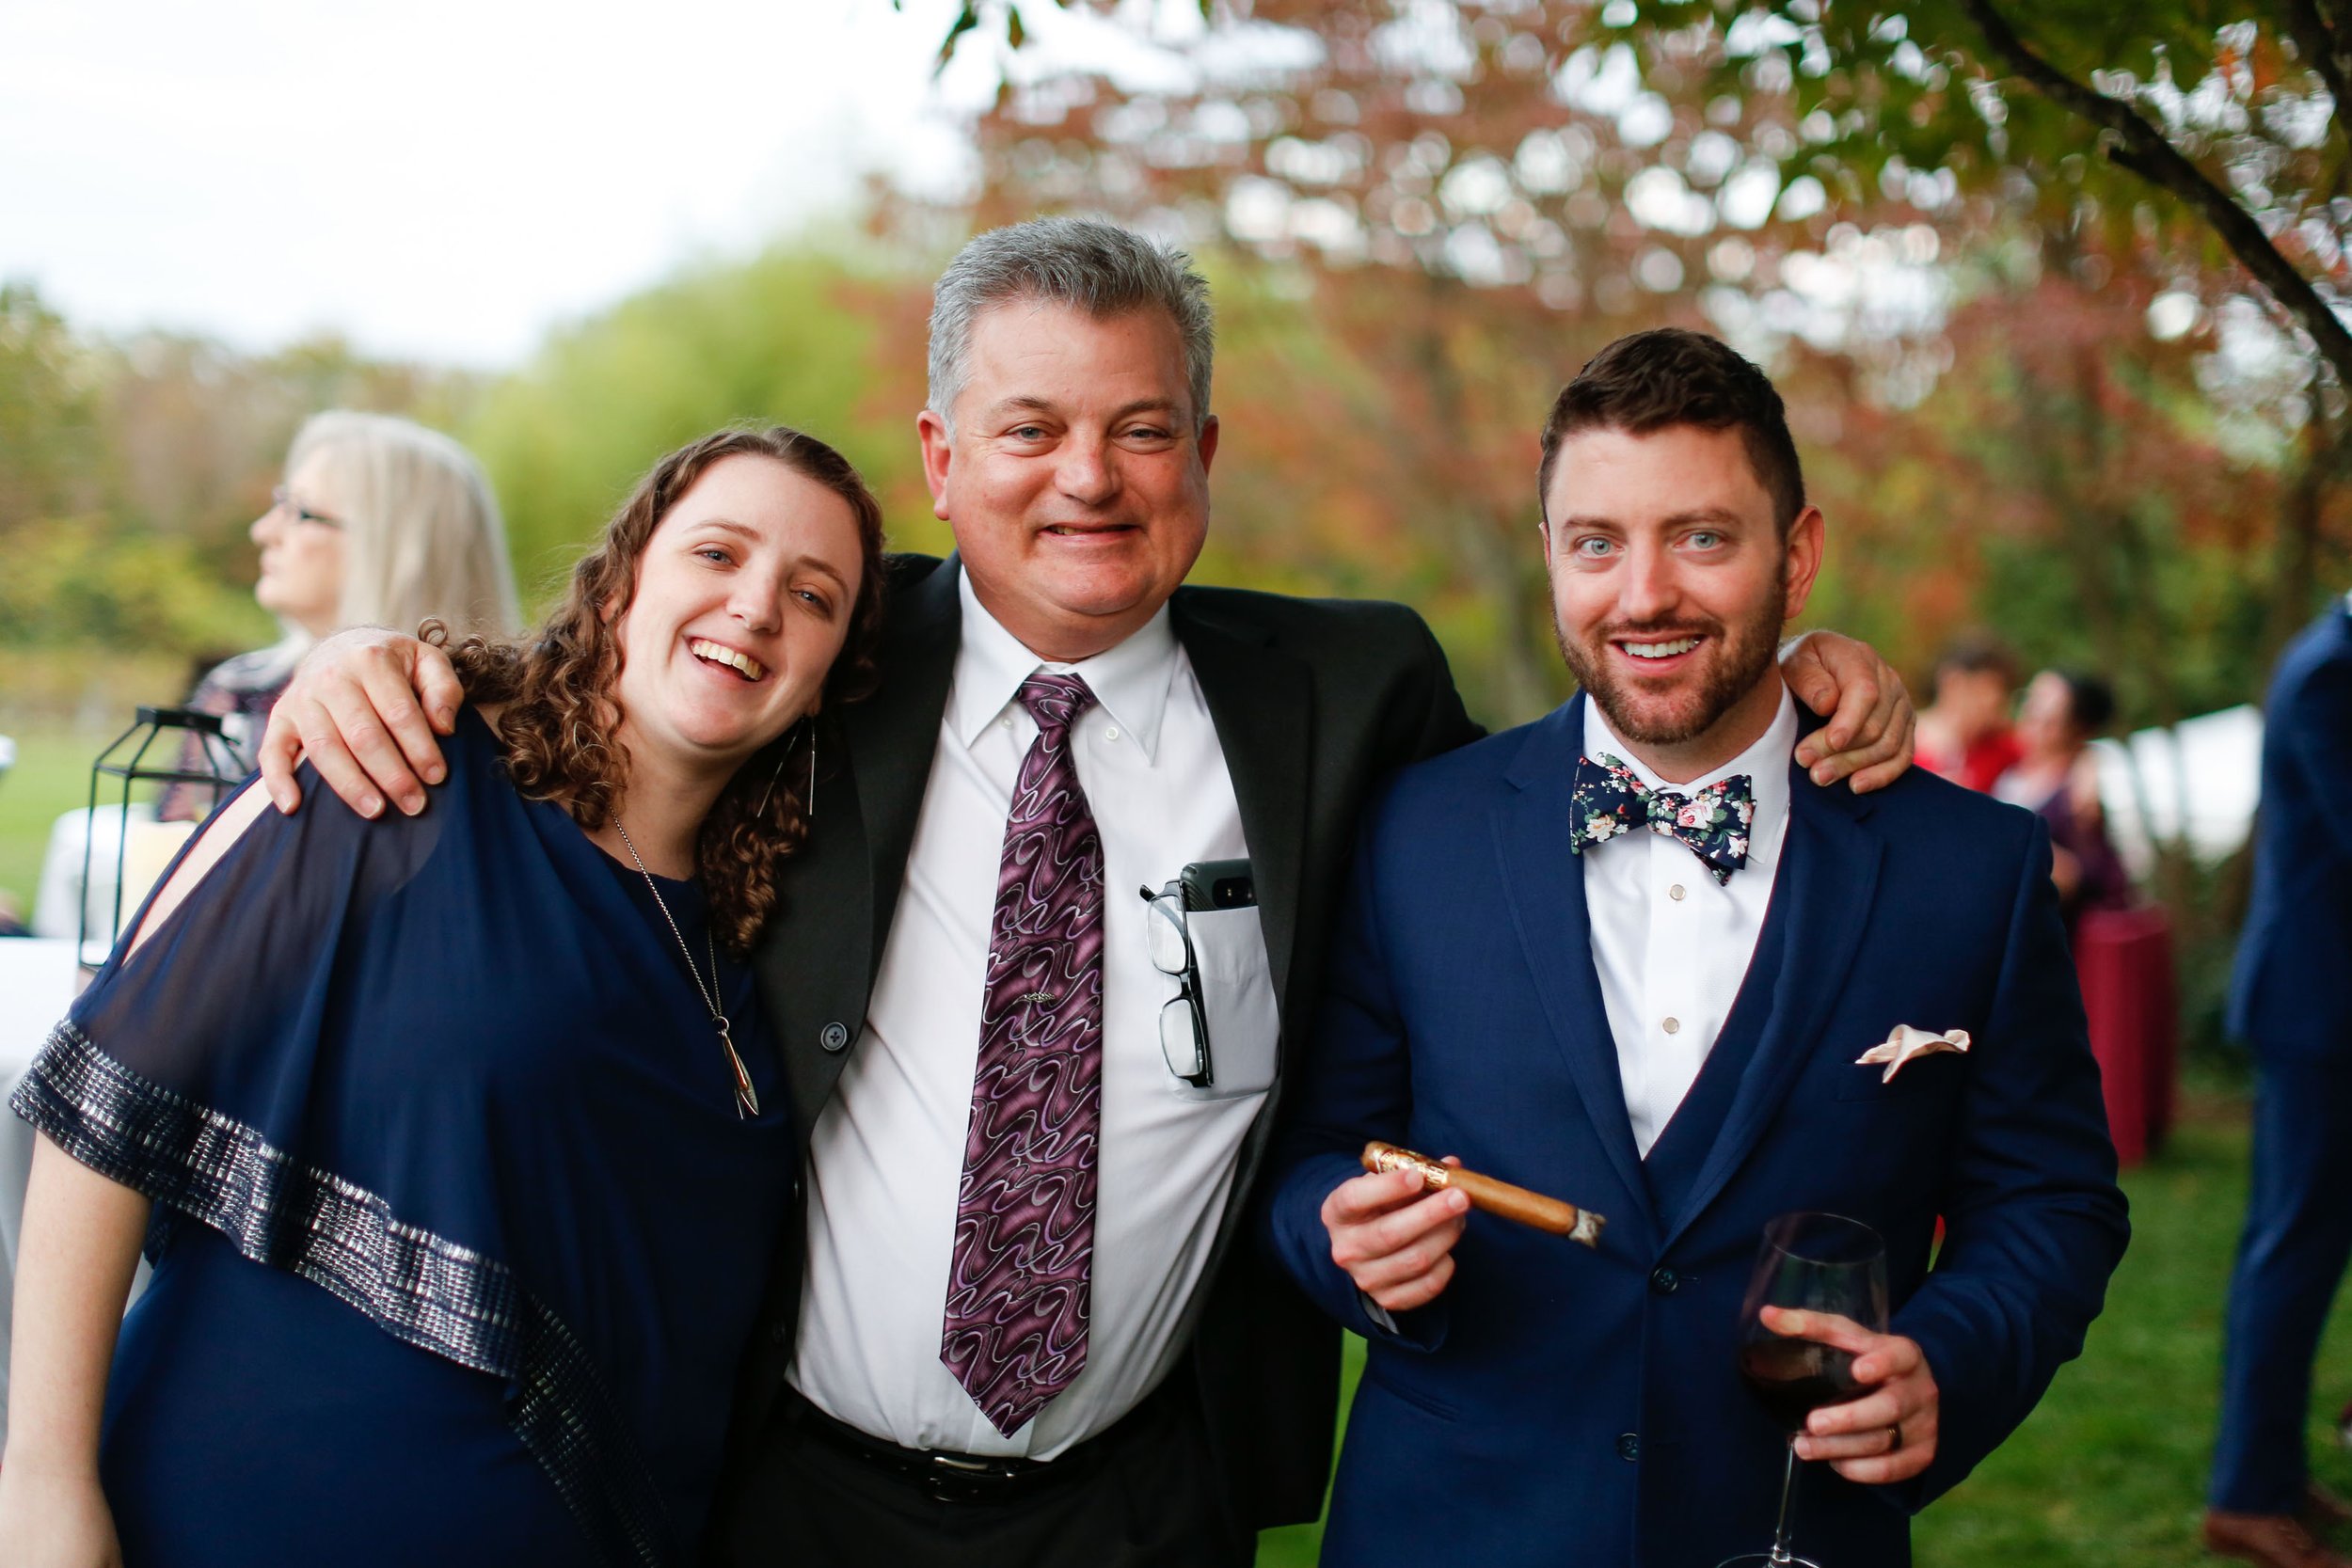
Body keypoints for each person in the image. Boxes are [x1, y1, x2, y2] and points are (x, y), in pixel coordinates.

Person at [248, 219, 1917, 1568]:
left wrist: (1790, 675)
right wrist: (371, 658)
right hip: (785, 1485)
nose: (1087, 481)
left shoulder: (1349, 694)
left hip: (1149, 1499)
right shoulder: (822, 651)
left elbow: (1587, 789)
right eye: (1031, 430)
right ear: (944, 452)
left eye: (1136, 430)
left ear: (1202, 449)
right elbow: (606, 692)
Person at [1262, 328, 2129, 1566]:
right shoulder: (1413, 826)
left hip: (1792, 1523)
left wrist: (1950, 1355)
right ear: (1552, 557)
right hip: (1452, 1523)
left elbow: (2050, 1198)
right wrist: (1336, 1234)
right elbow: (1305, 1151)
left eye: (1703, 536)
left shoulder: (1969, 866)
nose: (1645, 592)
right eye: (1596, 541)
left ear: (1800, 553)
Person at [0, 425, 886, 1567]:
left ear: (826, 685)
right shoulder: (396, 769)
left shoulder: (763, 935)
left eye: (811, 595)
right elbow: (103, 1108)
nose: (757, 605)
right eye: (716, 554)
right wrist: (43, 1492)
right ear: (618, 587)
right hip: (234, 1516)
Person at [157, 410, 519, 822]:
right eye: (280, 505)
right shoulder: (238, 690)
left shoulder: (511, 722)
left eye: (300, 512)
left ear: (391, 549)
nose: (263, 531)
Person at [2207, 591, 2352, 1568]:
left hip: (2329, 1005)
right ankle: (2244, 1496)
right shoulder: (2329, 672)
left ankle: (2270, 1464)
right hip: (2317, 1011)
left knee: (2305, 1246)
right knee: (2291, 1249)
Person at [1994, 668, 2133, 927]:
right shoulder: (2006, 763)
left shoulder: (2080, 796)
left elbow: (2087, 878)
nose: (2031, 717)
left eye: (2048, 716)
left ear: (2076, 728)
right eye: (2030, 702)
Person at [1914, 634, 2021, 794]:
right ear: (1952, 682)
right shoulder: (1904, 742)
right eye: (1980, 694)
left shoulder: (2001, 749)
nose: (1992, 711)